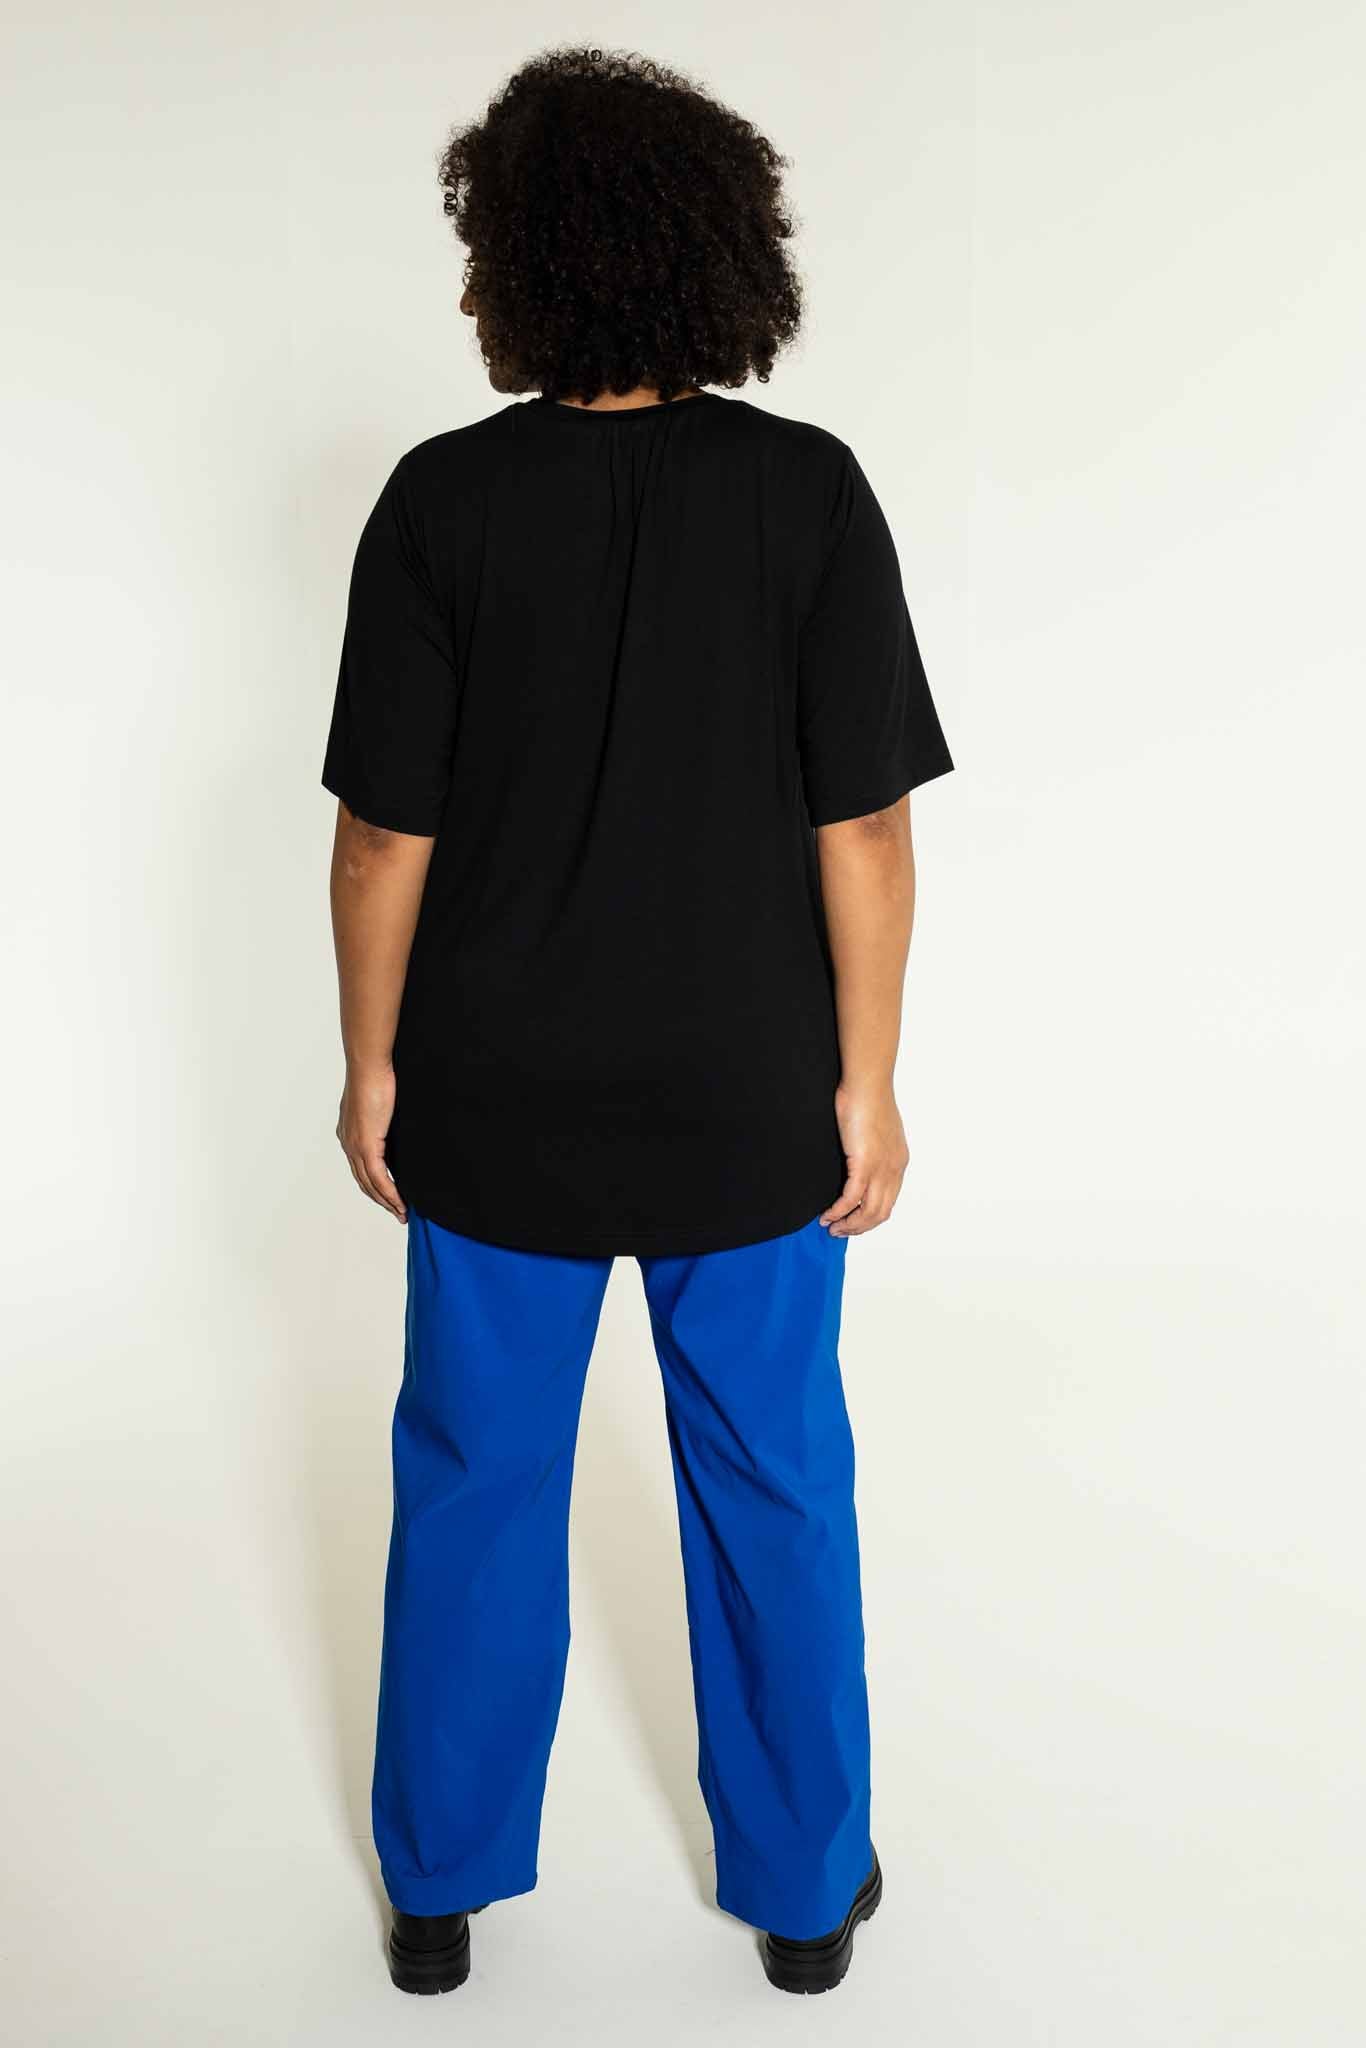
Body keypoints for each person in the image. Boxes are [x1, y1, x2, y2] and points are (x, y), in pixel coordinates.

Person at [321, 44, 953, 1998]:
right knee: (773, 1485)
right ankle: (803, 1895)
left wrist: (370, 1065)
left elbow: (383, 839)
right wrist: (866, 1081)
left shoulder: (440, 500)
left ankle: (434, 1896)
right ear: (712, 247)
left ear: (515, 255)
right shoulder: (805, 491)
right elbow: (862, 827)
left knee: (471, 1485)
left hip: (494, 1093)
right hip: (746, 1096)